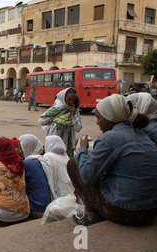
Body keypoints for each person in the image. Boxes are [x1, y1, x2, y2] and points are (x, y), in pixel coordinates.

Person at [67, 94, 157, 226]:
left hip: (127, 212)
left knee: (74, 163)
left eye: (98, 117)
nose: (97, 122)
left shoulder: (110, 138)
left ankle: (92, 215)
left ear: (110, 117)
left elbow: (87, 176)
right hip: (151, 212)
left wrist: (83, 149)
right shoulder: (143, 135)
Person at [38, 87, 82, 158]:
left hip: (69, 141)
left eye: (73, 100)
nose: (71, 102)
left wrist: (74, 116)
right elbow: (41, 121)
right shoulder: (57, 108)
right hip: (55, 137)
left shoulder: (75, 111)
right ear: (64, 98)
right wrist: (55, 119)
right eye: (69, 99)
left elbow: (78, 129)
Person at [18, 134, 52, 218]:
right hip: (47, 205)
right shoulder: (41, 158)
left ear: (27, 147)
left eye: (20, 147)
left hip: (37, 208)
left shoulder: (28, 163)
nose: (19, 150)